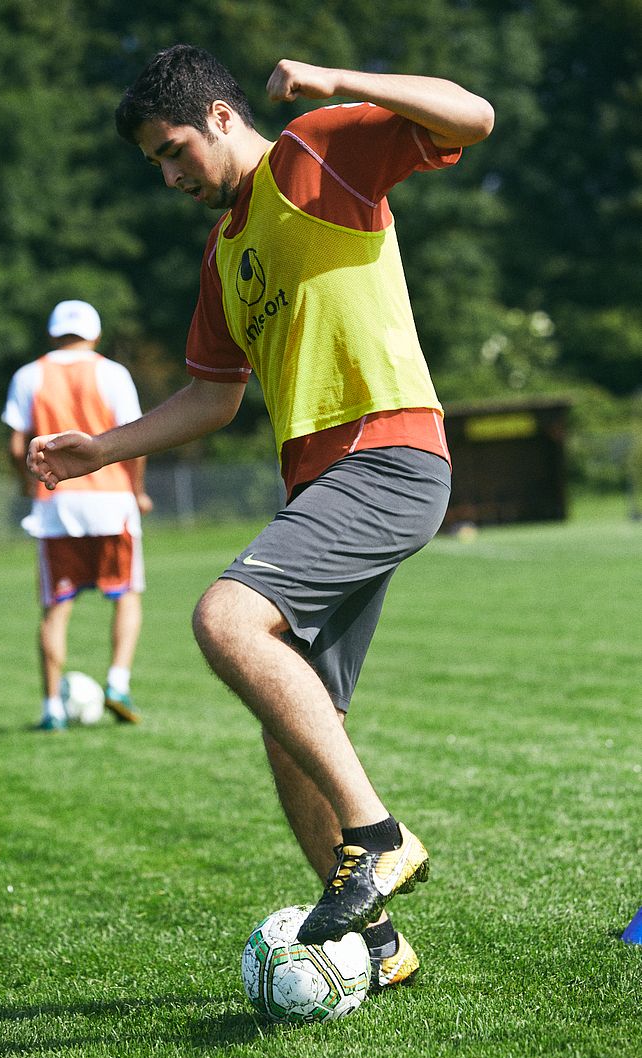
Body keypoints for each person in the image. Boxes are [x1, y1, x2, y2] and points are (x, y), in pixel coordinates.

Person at [27, 48, 494, 985]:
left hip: (389, 452)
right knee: (291, 730)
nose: (167, 177)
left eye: (172, 152)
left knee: (223, 617)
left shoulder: (316, 153)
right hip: (323, 486)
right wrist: (101, 447)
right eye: (154, 164)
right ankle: (375, 943)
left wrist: (335, 81)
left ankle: (379, 835)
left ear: (219, 117)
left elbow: (471, 116)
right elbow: (211, 400)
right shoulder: (223, 253)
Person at [4, 299, 153, 730]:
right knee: (125, 596)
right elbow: (136, 437)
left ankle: (52, 708)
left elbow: (17, 447)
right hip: (112, 501)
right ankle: (118, 683)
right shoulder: (113, 373)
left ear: (52, 333)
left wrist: (29, 484)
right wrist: (138, 491)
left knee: (56, 607)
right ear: (96, 334)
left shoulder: (28, 375)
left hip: (56, 505)